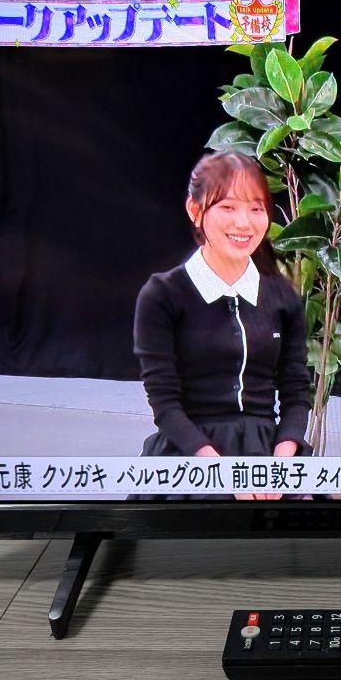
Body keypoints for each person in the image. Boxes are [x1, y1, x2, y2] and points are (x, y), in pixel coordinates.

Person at [133, 153, 311, 500]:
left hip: (271, 454)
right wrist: (223, 475)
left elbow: (296, 390)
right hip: (192, 454)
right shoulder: (163, 294)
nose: (244, 223)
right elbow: (165, 403)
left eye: (256, 209)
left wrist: (281, 465)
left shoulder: (282, 295)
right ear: (195, 211)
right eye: (228, 207)